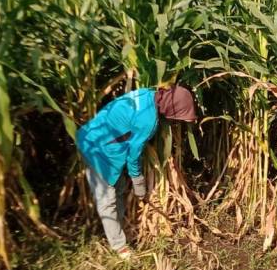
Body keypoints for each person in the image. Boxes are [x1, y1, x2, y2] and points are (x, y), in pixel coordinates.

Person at [76, 85, 198, 258]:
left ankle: (119, 229)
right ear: (173, 107)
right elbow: (134, 155)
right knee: (107, 199)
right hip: (97, 148)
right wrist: (139, 183)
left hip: (92, 135)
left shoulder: (147, 93)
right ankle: (120, 248)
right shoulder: (148, 121)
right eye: (178, 115)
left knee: (119, 187)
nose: (176, 121)